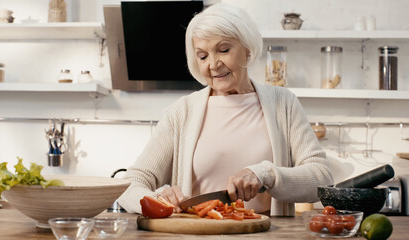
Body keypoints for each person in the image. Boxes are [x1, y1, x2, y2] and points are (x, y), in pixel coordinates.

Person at [118, 3, 333, 216]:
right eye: (203, 56)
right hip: (196, 233)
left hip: (267, 233)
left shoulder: (283, 104)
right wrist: (158, 199)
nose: (213, 64)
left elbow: (322, 176)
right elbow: (130, 184)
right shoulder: (181, 112)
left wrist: (265, 174)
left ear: (247, 49)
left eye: (224, 50)